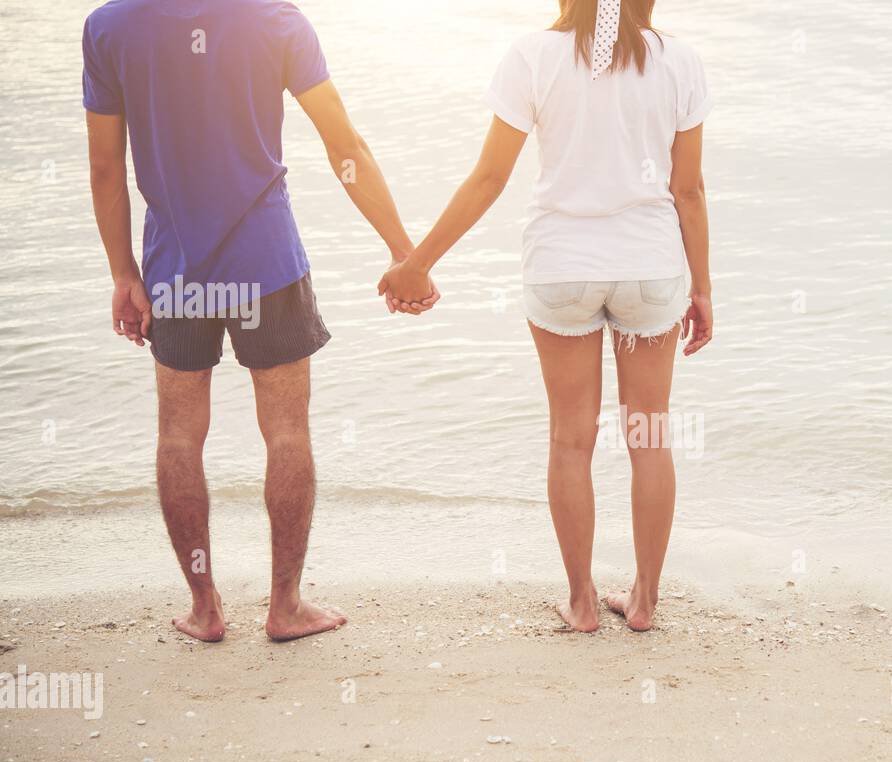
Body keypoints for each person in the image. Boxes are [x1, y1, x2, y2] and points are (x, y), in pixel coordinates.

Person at [83, 0, 435, 642]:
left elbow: (105, 167)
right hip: (267, 262)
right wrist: (403, 253)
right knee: (286, 432)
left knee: (180, 436)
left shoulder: (111, 26)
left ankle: (205, 609)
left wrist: (123, 273)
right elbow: (345, 146)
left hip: (176, 270)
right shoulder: (275, 19)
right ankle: (284, 606)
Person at [380, 0, 713, 632]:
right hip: (649, 269)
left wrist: (417, 263)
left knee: (570, 437)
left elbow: (488, 179)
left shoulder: (532, 56)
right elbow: (688, 190)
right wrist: (703, 288)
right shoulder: (681, 62)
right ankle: (643, 604)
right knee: (648, 436)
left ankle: (583, 603)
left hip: (562, 269)